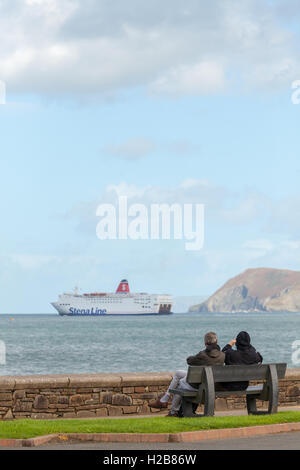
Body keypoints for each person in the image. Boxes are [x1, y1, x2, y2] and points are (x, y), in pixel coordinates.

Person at [149, 332, 225, 417]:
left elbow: (189, 361)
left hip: (199, 387)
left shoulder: (203, 355)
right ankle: (165, 399)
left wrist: (197, 355)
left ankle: (173, 412)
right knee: (178, 373)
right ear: (216, 342)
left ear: (205, 343)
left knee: (180, 383)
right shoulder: (222, 355)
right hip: (210, 386)